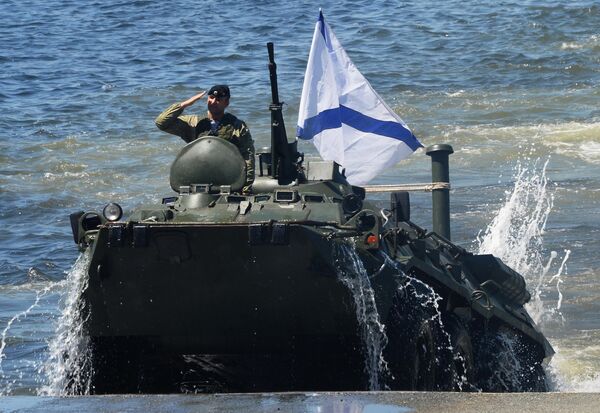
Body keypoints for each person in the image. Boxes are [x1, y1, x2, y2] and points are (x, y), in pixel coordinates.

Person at [155, 85, 255, 193]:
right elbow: (161, 123)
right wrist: (185, 104)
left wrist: (245, 189)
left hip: (226, 178)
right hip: (198, 178)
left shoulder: (237, 126)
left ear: (226, 102)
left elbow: (248, 157)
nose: (213, 102)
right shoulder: (193, 122)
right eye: (211, 98)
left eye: (218, 100)